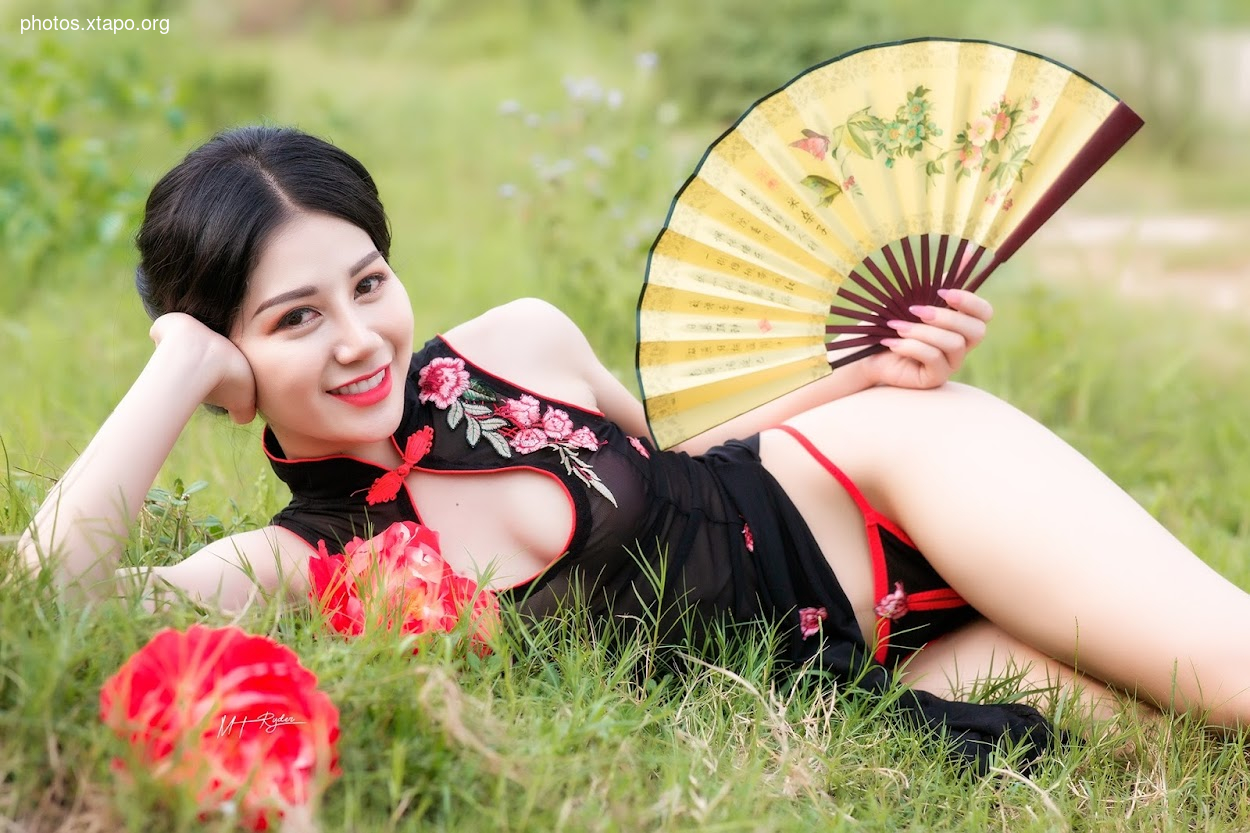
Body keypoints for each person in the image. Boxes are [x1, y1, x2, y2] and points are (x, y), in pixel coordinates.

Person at [16, 126, 1250, 773]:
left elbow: (674, 461)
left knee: (1231, 675)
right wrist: (176, 362)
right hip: (872, 680)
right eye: (294, 319)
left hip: (884, 480)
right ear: (231, 358)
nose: (357, 340)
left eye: (367, 281)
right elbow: (43, 600)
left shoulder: (516, 340)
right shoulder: (294, 565)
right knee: (1184, 739)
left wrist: (860, 380)